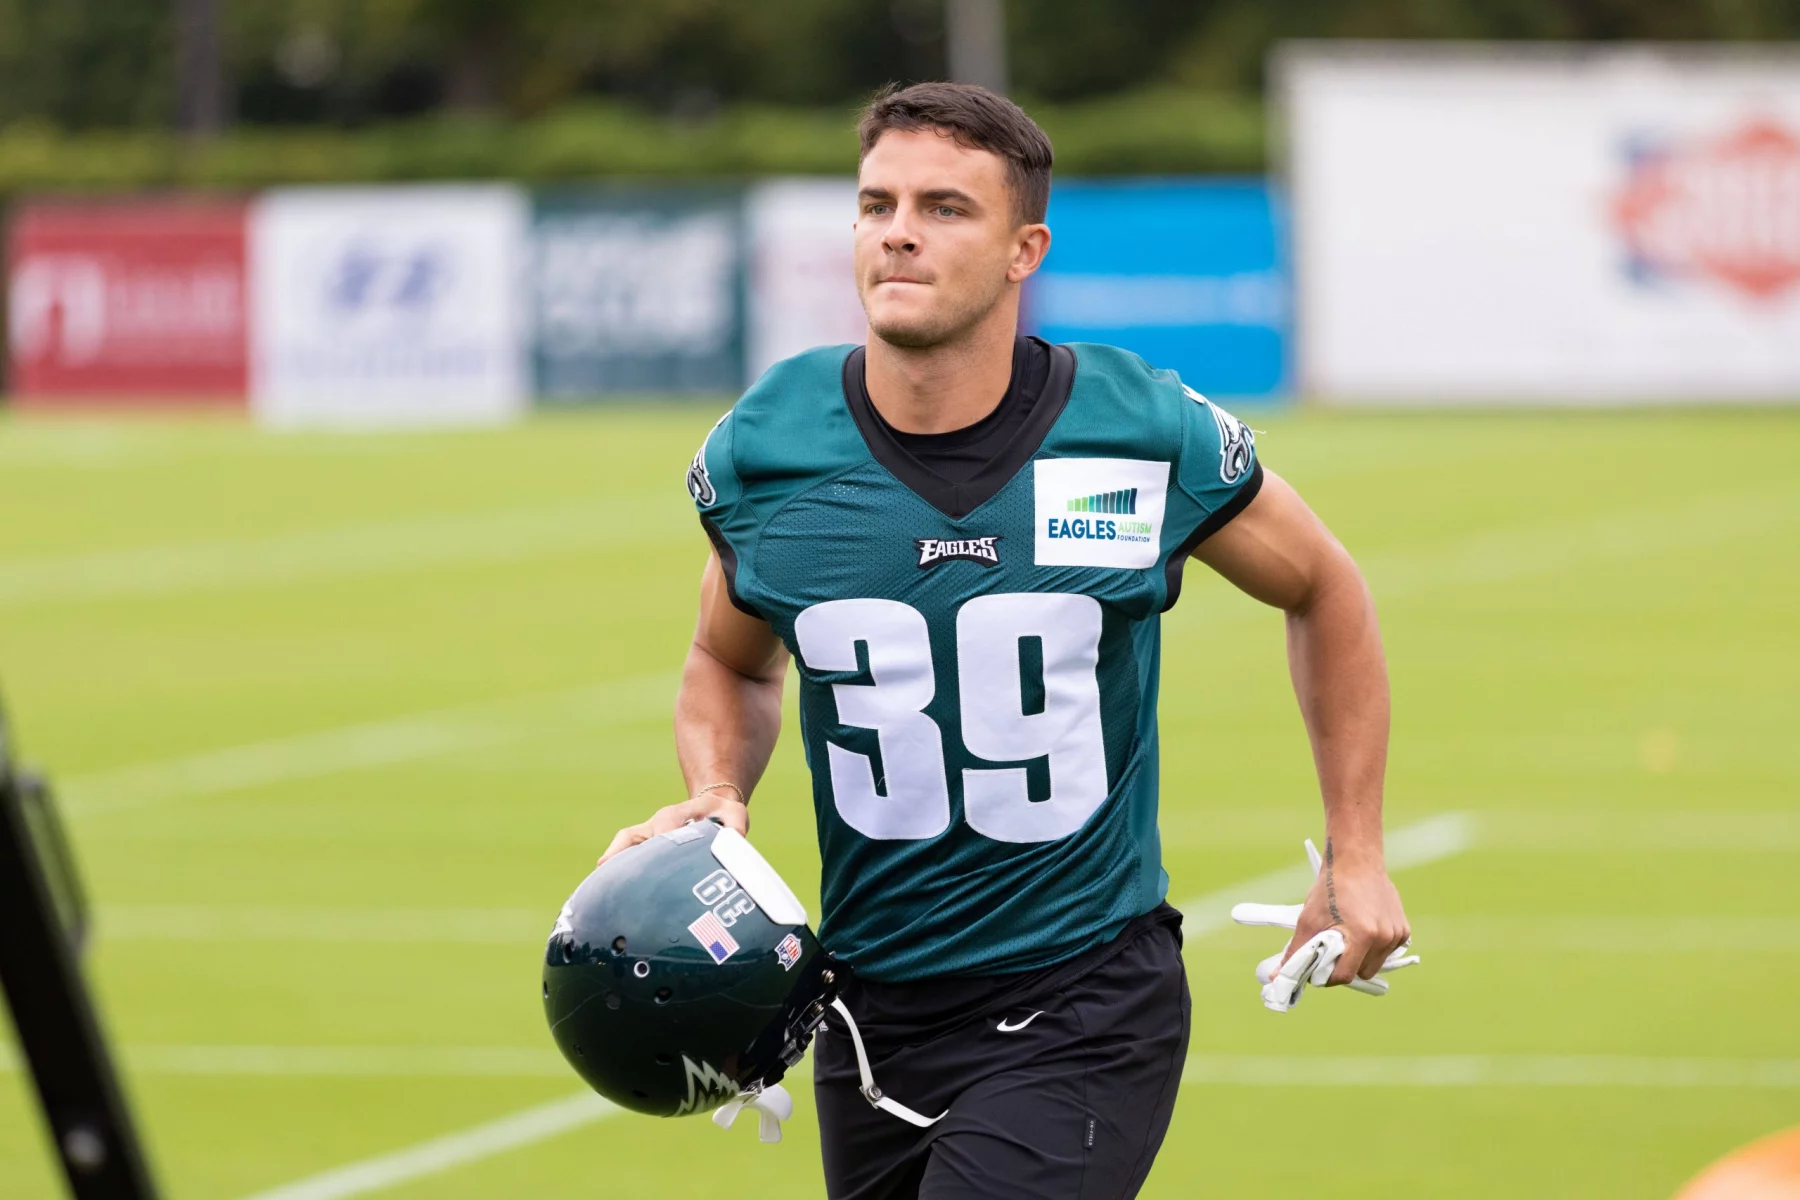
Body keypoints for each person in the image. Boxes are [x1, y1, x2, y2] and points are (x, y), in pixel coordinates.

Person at [601, 80, 1410, 1200]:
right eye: (877, 203)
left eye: (944, 208)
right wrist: (717, 791)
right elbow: (730, 659)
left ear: (1025, 249)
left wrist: (1356, 849)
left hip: (1082, 999)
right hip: (865, 1012)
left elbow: (1323, 586)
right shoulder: (768, 451)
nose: (898, 232)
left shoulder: (1135, 431)